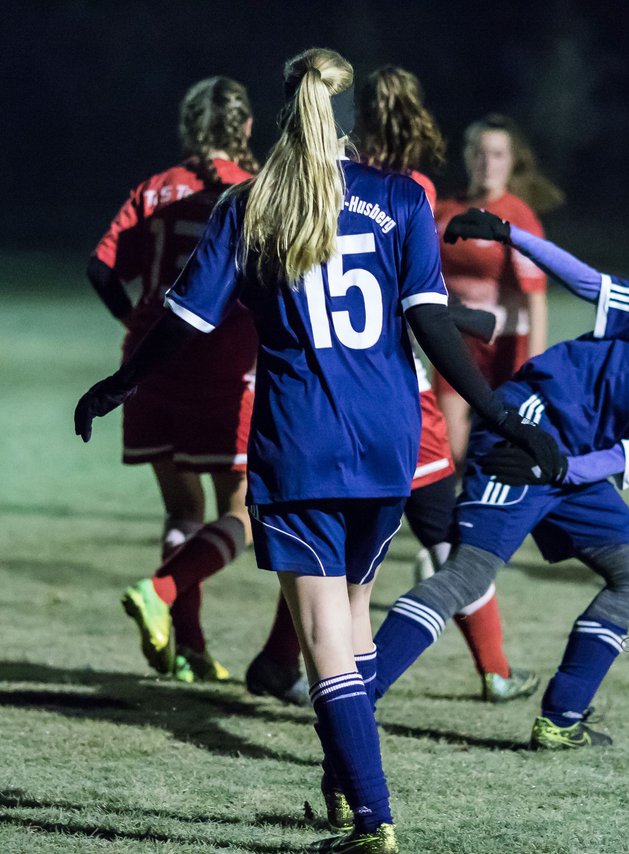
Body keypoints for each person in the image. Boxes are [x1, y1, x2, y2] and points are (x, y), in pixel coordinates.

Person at [74, 48, 561, 854]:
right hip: (388, 442)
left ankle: (372, 817)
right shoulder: (401, 198)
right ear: (348, 118)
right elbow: (434, 327)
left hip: (301, 442)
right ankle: (342, 791)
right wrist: (501, 414)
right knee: (355, 622)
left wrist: (121, 382)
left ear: (285, 112)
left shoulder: (250, 204)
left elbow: (189, 324)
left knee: (323, 637)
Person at [369, 208, 629, 750]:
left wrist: (562, 468)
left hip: (566, 462)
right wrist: (511, 235)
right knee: (468, 575)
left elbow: (616, 457)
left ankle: (561, 718)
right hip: (526, 428)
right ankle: (358, 695)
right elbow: (592, 284)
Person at [243, 66, 538, 708]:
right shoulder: (407, 192)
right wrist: (468, 326)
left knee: (327, 555)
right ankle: (488, 670)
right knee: (444, 537)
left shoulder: (313, 189)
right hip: (398, 398)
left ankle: (277, 661)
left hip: (342, 400)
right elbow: (407, 302)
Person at [87, 77, 259, 682]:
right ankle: (160, 592)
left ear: (190, 128)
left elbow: (100, 267)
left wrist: (133, 318)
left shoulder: (154, 190)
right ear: (244, 128)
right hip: (220, 368)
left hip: (150, 364)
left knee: (182, 508)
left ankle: (186, 645)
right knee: (247, 512)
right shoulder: (252, 192)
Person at [433, 114, 564, 463]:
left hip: (506, 344)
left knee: (499, 452)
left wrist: (534, 369)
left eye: (497, 154)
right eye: (480, 153)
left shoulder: (518, 218)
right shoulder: (444, 211)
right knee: (451, 450)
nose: (487, 163)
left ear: (511, 161)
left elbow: (537, 299)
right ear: (468, 156)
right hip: (455, 341)